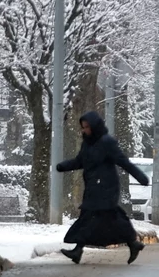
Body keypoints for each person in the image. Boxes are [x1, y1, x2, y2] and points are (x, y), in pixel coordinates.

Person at [55, 111, 151, 265]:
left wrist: (141, 177)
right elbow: (80, 161)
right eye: (83, 127)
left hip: (107, 188)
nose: (84, 130)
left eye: (86, 127)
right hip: (93, 186)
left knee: (91, 216)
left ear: (94, 126)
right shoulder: (87, 143)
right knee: (109, 218)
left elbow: (123, 161)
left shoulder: (107, 142)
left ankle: (78, 250)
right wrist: (63, 166)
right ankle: (133, 243)